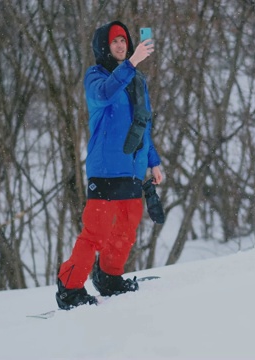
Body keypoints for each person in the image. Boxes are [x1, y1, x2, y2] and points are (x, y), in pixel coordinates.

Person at [55, 20, 163, 310]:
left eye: (124, 41)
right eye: (115, 41)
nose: (121, 45)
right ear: (104, 45)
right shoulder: (96, 76)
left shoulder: (138, 80)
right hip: (105, 169)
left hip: (132, 169)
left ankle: (109, 278)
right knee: (96, 233)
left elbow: (144, 124)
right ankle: (69, 287)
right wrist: (131, 63)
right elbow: (104, 95)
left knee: (126, 231)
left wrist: (153, 162)